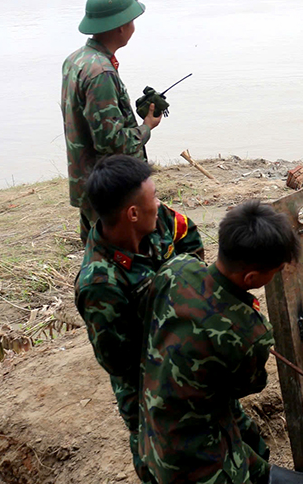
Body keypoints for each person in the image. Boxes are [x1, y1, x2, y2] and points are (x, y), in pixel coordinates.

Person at [140, 200, 300, 484]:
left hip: (152, 429)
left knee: (252, 448)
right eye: (274, 272)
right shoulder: (249, 332)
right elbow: (247, 385)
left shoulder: (176, 268)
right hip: (198, 459)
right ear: (251, 277)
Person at [75, 154, 205, 483]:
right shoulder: (100, 285)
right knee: (163, 464)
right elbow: (120, 363)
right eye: (154, 197)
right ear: (132, 213)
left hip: (187, 358)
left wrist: (185, 291)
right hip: (148, 388)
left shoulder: (158, 219)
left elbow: (189, 236)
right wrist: (171, 320)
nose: (159, 203)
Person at [62, 0, 162, 244]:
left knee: (95, 258)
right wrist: (146, 127)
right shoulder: (101, 73)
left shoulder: (76, 60)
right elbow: (111, 141)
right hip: (110, 189)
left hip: (88, 181)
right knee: (117, 262)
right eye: (131, 22)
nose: (133, 27)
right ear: (120, 27)